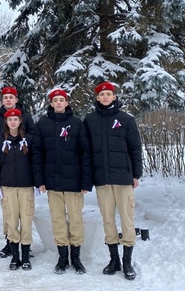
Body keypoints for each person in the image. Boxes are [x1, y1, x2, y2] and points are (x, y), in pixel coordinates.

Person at [83, 82, 143, 280]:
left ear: (114, 97)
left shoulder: (126, 119)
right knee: (108, 219)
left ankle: (127, 262)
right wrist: (88, 177)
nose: (106, 97)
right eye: (102, 95)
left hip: (123, 178)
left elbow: (135, 148)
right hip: (102, 179)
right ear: (97, 98)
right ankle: (114, 259)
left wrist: (136, 174)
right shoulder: (90, 120)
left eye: (109, 94)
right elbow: (87, 152)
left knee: (127, 219)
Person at [36, 89, 92, 274]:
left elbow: (85, 153)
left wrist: (85, 181)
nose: (59, 103)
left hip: (74, 183)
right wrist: (40, 180)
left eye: (62, 100)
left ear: (67, 103)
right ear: (51, 104)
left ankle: (75, 258)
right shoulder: (43, 124)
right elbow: (37, 153)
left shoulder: (77, 124)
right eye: (55, 100)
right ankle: (62, 258)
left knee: (75, 220)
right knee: (58, 220)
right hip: (53, 182)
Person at [0, 86, 36, 259]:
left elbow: (33, 148)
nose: (8, 100)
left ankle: (25, 248)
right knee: (9, 215)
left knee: (25, 215)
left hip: (24, 176)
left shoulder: (26, 118)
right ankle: (10, 244)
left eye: (11, 97)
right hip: (6, 175)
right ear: (2, 100)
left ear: (16, 99)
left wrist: (36, 178)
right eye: (5, 97)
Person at [0, 108, 42, 271]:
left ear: (20, 121)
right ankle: (15, 256)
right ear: (6, 122)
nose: (13, 122)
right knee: (11, 221)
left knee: (26, 220)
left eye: (15, 119)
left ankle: (26, 256)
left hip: (26, 187)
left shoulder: (29, 140)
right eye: (10, 119)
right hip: (8, 187)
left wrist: (37, 183)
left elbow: (36, 162)